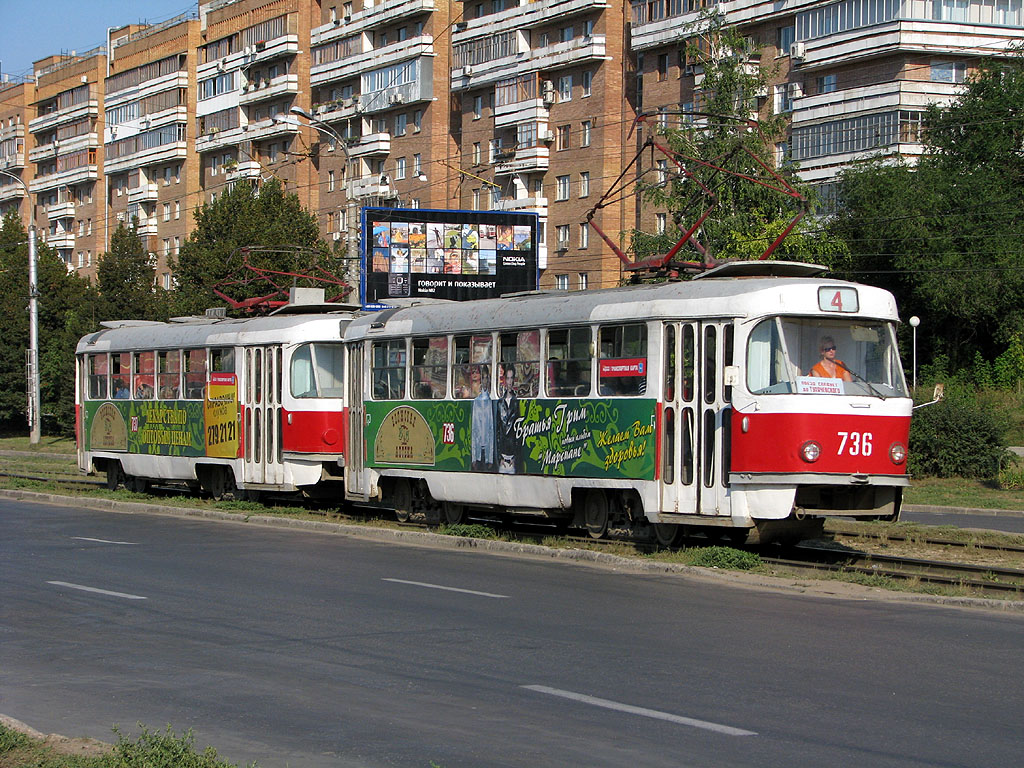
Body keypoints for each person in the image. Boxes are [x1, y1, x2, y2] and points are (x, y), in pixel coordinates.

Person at [496, 364, 520, 474]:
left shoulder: (517, 401)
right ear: (504, 380)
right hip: (502, 455)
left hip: (513, 456)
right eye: (508, 378)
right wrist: (498, 457)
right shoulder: (500, 402)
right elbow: (497, 430)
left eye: (511, 378)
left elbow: (519, 432)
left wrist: (516, 457)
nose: (509, 382)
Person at [470, 364, 495, 471]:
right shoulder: (476, 401)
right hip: (479, 452)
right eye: (483, 378)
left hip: (488, 451)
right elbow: (474, 429)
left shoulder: (491, 400)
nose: (485, 381)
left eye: (487, 378)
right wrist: (474, 457)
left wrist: (490, 458)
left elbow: (491, 430)